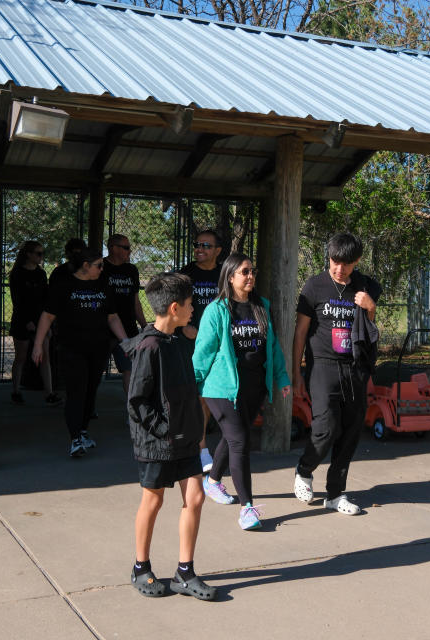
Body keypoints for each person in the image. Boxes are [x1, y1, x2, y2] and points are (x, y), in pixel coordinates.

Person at [123, 272, 216, 601]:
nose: (194, 310)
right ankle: (140, 567)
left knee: (195, 499)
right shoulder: (149, 347)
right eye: (190, 305)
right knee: (154, 500)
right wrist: (164, 430)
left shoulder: (179, 341)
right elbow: (137, 402)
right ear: (174, 307)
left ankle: (184, 573)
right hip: (158, 443)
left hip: (185, 440)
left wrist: (193, 431)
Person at [192, 253, 291, 530]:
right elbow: (204, 352)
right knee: (239, 441)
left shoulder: (261, 306)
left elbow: (272, 347)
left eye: (252, 271)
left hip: (253, 387)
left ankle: (212, 482)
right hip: (221, 388)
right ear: (230, 276)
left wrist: (281, 377)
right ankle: (247, 508)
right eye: (244, 272)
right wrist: (192, 385)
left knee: (235, 436)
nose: (250, 276)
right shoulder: (217, 310)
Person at [292, 233, 382, 515]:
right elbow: (301, 332)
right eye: (334, 261)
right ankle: (304, 470)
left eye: (346, 263)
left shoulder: (364, 286)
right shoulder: (314, 286)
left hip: (354, 367)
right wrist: (296, 372)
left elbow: (369, 330)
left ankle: (335, 493)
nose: (339, 268)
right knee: (326, 427)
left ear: (356, 262)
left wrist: (371, 307)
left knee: (352, 431)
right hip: (322, 366)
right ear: (328, 257)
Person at [32, 248, 128, 458]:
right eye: (99, 265)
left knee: (91, 391)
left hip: (99, 347)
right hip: (71, 348)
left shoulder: (103, 285)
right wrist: (38, 345)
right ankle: (75, 437)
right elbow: (47, 317)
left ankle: (83, 431)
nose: (102, 269)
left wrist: (126, 341)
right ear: (85, 265)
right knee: (76, 391)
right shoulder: (63, 286)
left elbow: (112, 317)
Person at [178, 229, 224, 472]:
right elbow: (173, 302)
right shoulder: (186, 274)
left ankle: (200, 445)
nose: (200, 249)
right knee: (194, 395)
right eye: (197, 244)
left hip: (217, 343)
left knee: (205, 396)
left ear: (217, 251)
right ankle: (199, 446)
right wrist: (185, 326)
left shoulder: (225, 274)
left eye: (206, 245)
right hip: (190, 342)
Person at [8, 241, 60, 406]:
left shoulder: (41, 274)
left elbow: (45, 300)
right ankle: (16, 390)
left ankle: (49, 393)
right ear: (28, 254)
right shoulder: (17, 274)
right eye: (38, 253)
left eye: (42, 253)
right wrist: (27, 322)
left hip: (40, 321)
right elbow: (18, 301)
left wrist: (47, 324)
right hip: (22, 321)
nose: (41, 257)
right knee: (21, 357)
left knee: (45, 358)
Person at [102, 234, 147, 394]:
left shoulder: (131, 270)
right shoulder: (101, 267)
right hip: (103, 330)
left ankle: (131, 413)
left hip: (128, 329)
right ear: (113, 248)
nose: (130, 251)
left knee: (130, 370)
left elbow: (136, 301)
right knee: (94, 371)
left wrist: (144, 325)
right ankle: (88, 408)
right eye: (126, 247)